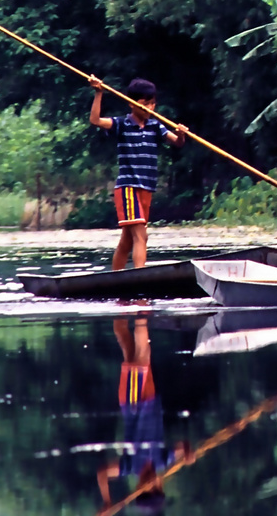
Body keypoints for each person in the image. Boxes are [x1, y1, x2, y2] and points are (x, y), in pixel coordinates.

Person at [96, 316, 192, 512]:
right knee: (129, 348)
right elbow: (182, 447)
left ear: (139, 489)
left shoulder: (130, 466)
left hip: (134, 401)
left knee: (142, 354)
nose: (154, 485)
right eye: (158, 488)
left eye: (148, 491)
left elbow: (103, 473)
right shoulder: (162, 461)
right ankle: (121, 306)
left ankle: (141, 306)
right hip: (151, 398)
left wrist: (107, 500)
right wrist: (188, 453)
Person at [90, 76, 187, 270]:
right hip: (128, 187)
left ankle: (115, 277)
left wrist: (182, 133)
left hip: (147, 188)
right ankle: (139, 275)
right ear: (132, 104)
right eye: (145, 104)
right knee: (141, 235)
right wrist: (99, 92)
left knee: (128, 239)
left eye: (152, 104)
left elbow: (177, 142)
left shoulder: (155, 126)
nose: (150, 108)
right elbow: (95, 120)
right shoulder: (121, 124)